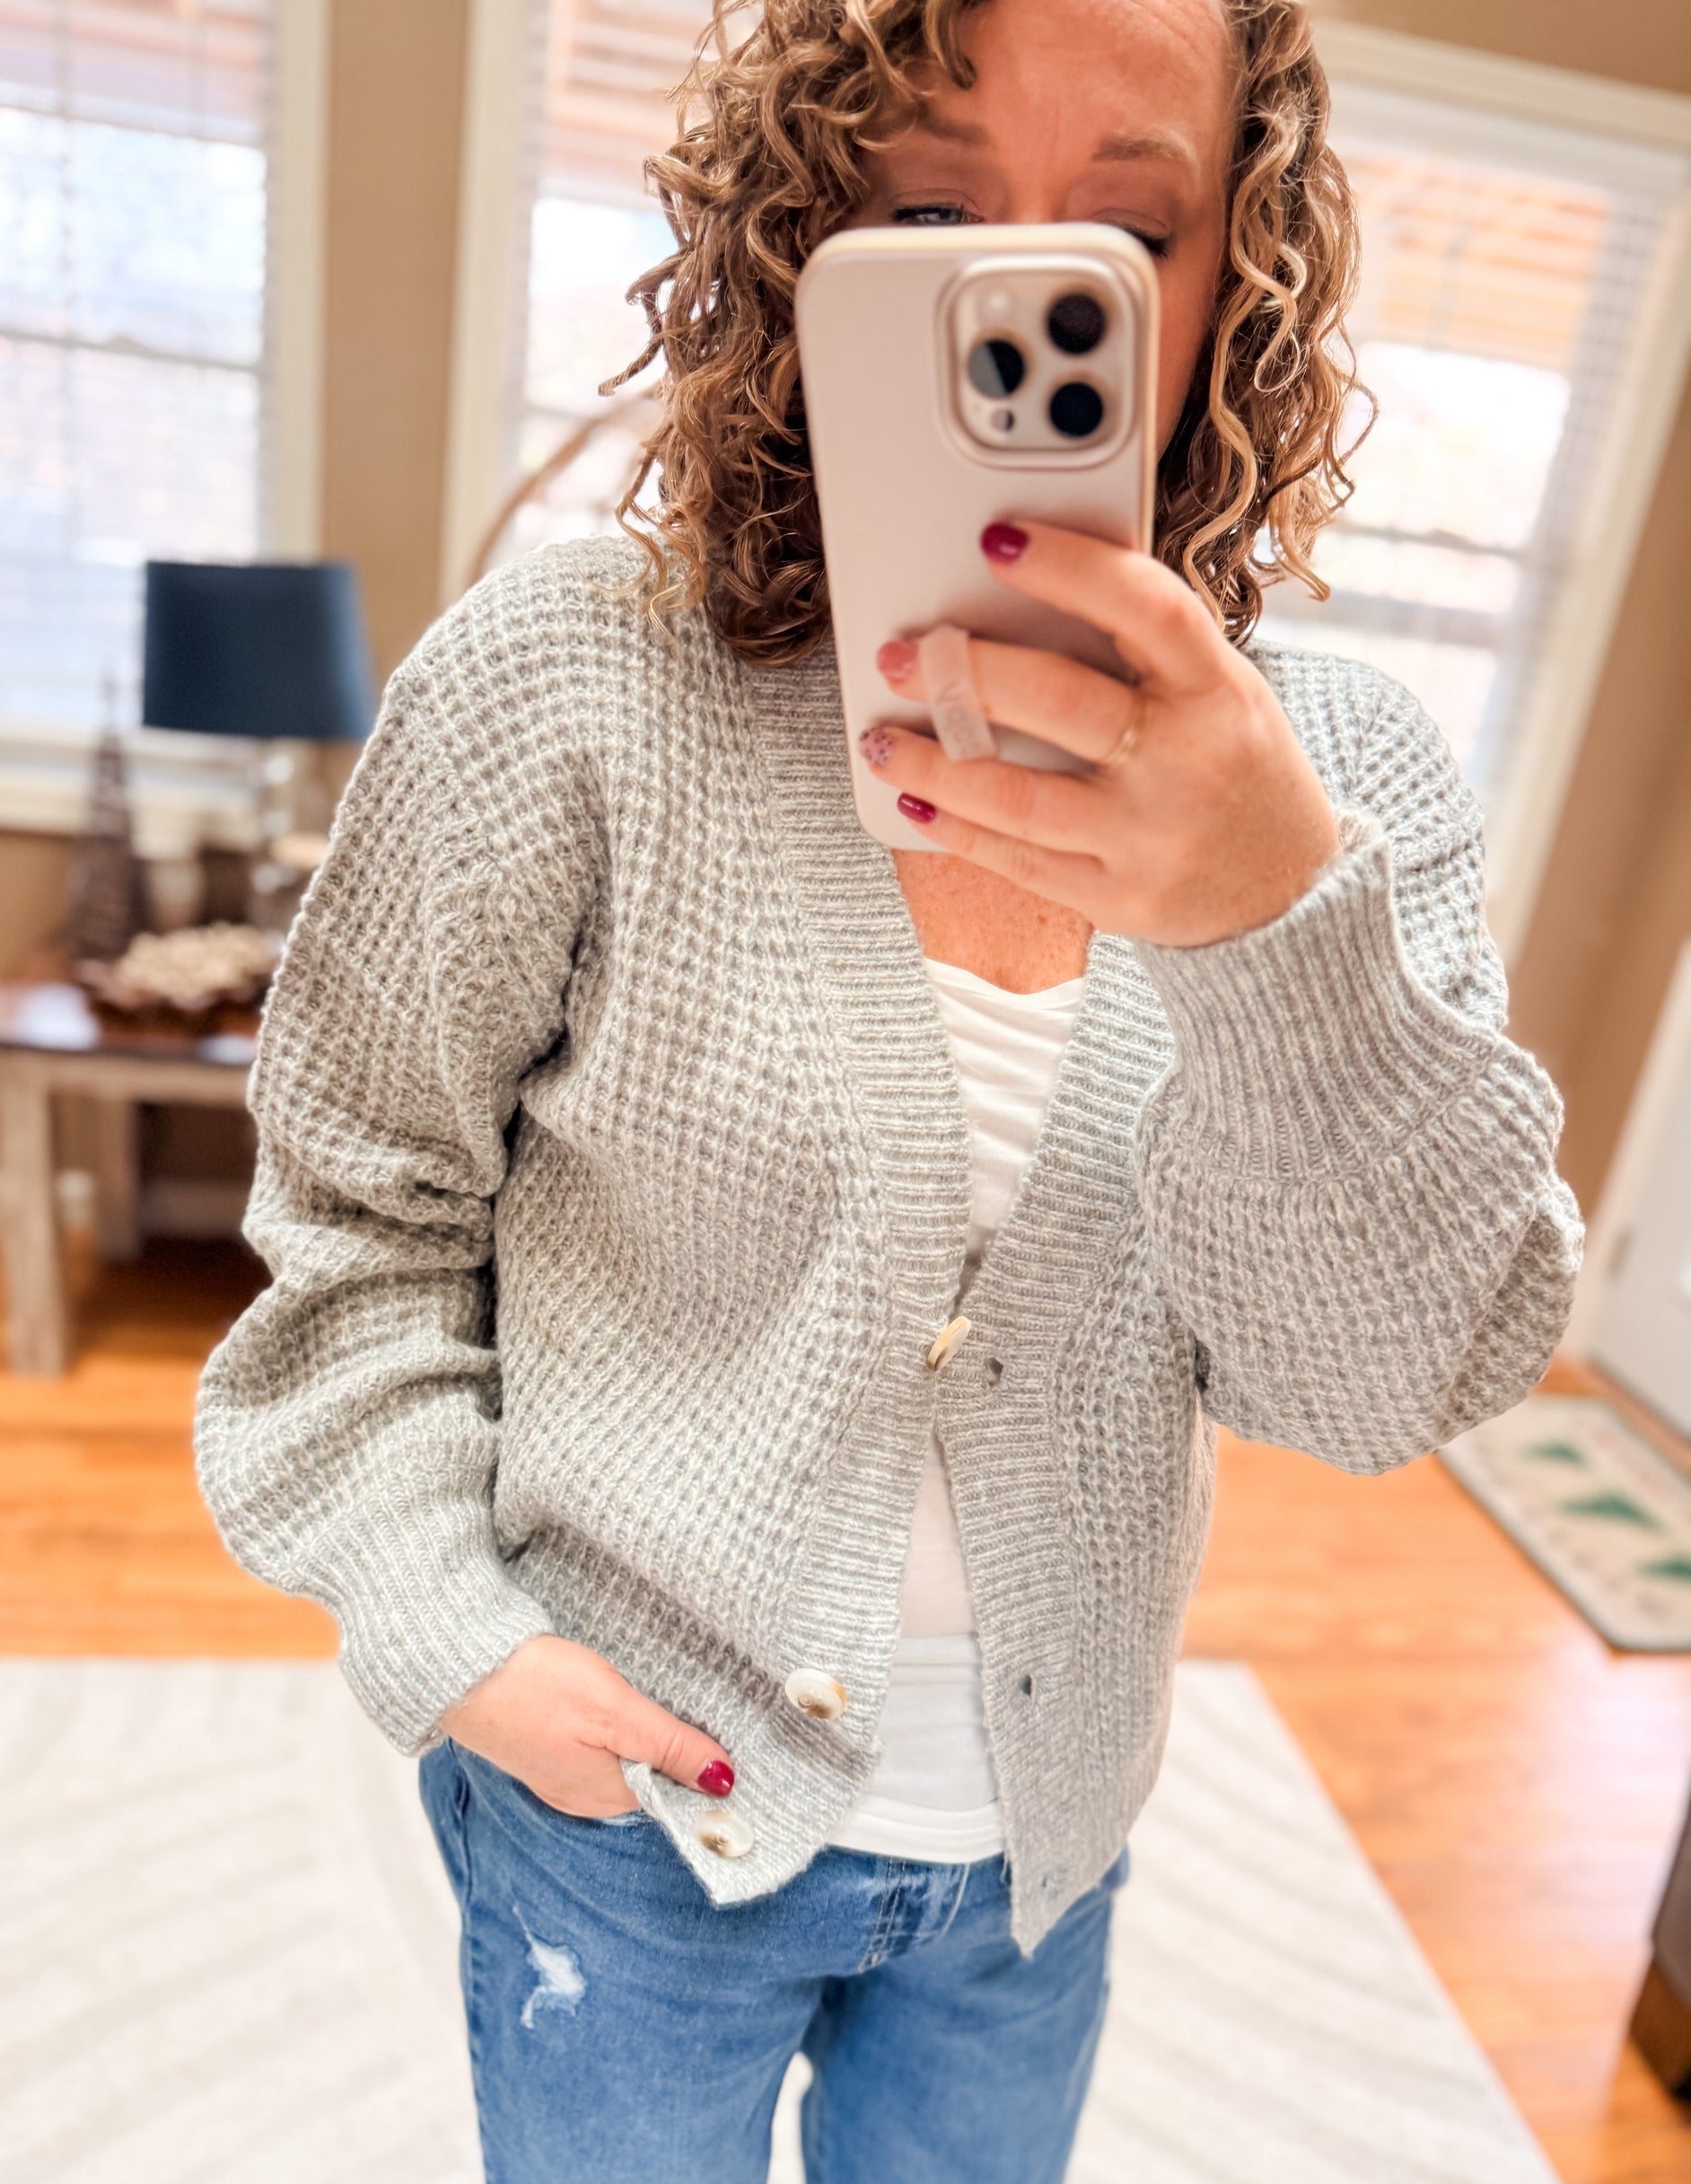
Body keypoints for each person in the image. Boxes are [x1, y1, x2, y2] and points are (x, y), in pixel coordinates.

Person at [195, 0, 1581, 2178]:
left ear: (1236, 283)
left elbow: (1376, 1378)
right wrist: (454, 1634)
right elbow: (356, 1222)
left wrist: (1265, 920)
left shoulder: (1344, 794)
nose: (1008, 291)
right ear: (801, 234)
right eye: (926, 210)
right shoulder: (568, 688)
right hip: (625, 1817)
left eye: (1125, 234)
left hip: (1041, 1842)